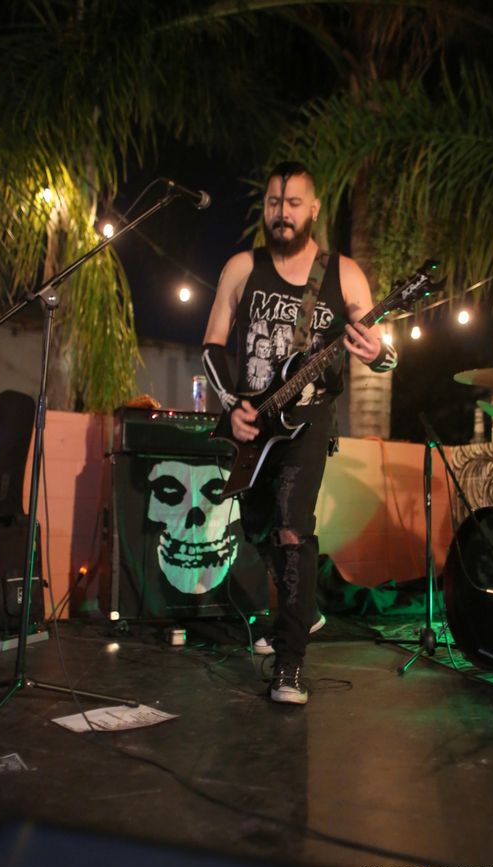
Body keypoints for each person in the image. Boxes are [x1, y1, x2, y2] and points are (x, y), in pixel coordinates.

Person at [202, 161, 397, 705]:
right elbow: (212, 345)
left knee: (292, 528)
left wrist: (378, 354)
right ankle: (302, 610)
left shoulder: (343, 274)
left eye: (292, 204)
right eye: (273, 203)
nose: (281, 214)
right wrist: (232, 405)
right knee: (257, 527)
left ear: (313, 209)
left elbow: (383, 353)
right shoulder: (243, 267)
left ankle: (289, 665)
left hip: (308, 421)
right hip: (254, 422)